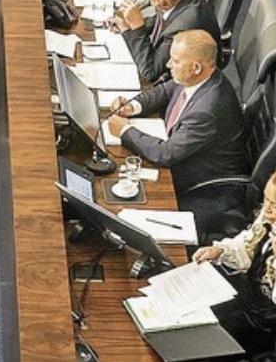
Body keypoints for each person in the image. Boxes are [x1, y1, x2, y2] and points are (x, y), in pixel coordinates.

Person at [107, 30, 250, 238]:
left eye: (174, 61)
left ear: (196, 67)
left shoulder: (207, 109)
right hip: (186, 158)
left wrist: (125, 131)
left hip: (203, 185)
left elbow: (166, 154)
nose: (168, 65)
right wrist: (133, 107)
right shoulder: (199, 78)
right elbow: (165, 91)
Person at [193, 165, 276, 353]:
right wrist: (221, 251)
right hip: (247, 296)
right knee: (192, 318)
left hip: (268, 322)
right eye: (266, 199)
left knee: (199, 345)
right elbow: (248, 245)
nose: (267, 210)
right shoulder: (273, 218)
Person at [110, 0, 220, 84]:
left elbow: (150, 72)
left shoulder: (186, 24)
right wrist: (127, 26)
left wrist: (136, 28)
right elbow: (159, 21)